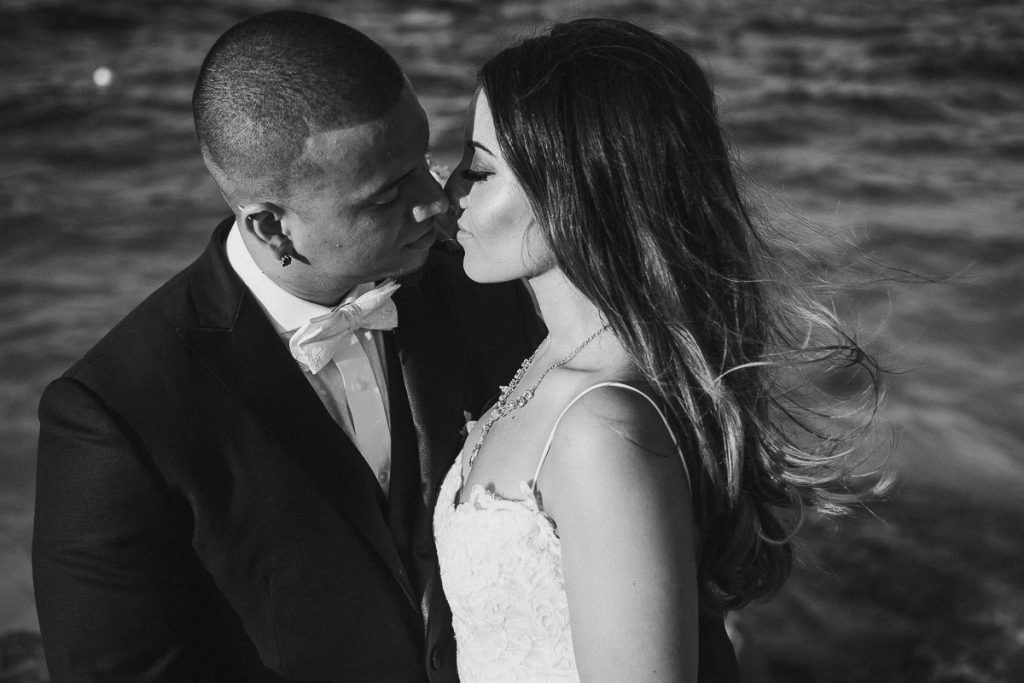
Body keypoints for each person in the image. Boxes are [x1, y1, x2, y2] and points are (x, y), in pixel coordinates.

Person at [32, 11, 541, 682]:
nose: (436, 202)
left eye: (423, 159)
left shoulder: (487, 286)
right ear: (272, 226)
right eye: (388, 193)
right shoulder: (115, 419)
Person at [433, 17, 884, 682]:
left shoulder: (600, 429)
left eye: (477, 167)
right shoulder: (554, 357)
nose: (451, 190)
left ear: (575, 194)